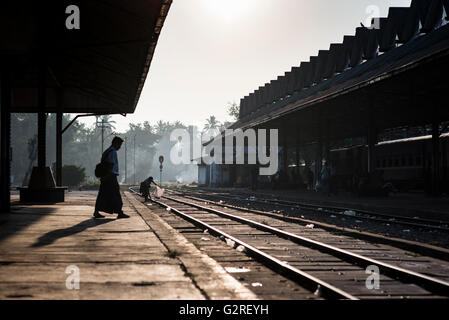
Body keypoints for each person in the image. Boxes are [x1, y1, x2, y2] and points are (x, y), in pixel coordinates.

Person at [93, 137, 129, 219]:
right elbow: (110, 165)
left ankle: (96, 211)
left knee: (102, 194)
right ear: (116, 144)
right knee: (116, 194)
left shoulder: (107, 151)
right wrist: (107, 176)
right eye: (120, 145)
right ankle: (120, 212)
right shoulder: (112, 152)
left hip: (105, 176)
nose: (120, 147)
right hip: (110, 176)